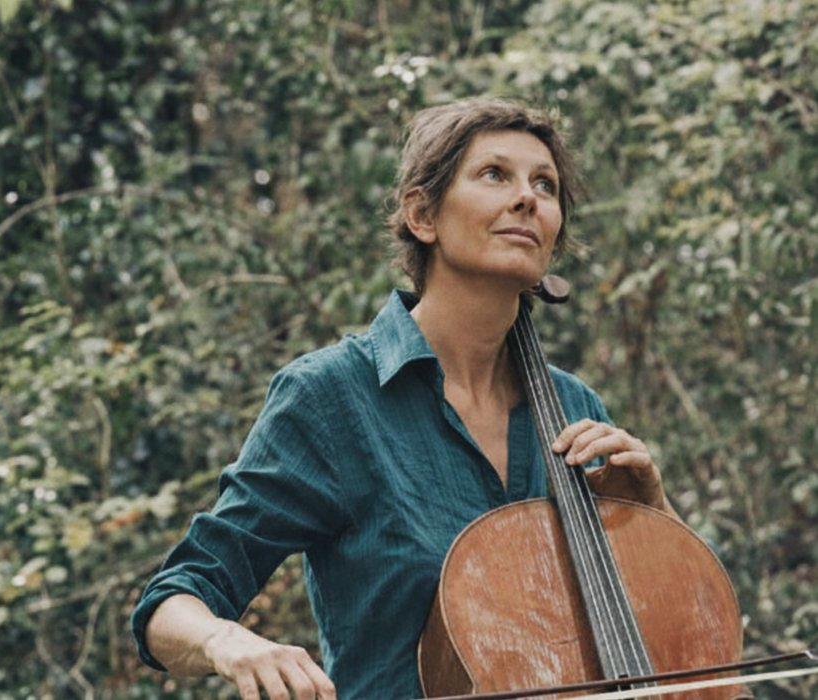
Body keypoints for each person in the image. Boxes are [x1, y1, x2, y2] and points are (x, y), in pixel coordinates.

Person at [130, 97, 677, 700]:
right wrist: (232, 644)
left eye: (544, 185)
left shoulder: (576, 409)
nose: (528, 198)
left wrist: (653, 513)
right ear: (423, 215)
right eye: (495, 174)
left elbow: (673, 633)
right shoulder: (331, 397)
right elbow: (176, 598)